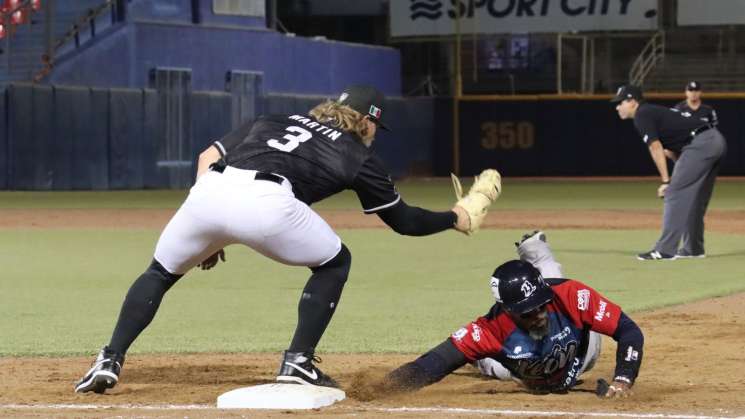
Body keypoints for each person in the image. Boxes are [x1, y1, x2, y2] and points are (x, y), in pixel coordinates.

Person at [74, 85, 486, 394]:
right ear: (364, 120)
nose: (376, 132)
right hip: (267, 202)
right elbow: (404, 221)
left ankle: (108, 359)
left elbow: (207, 157)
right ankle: (298, 362)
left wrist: (209, 233)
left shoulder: (270, 119)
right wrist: (456, 217)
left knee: (160, 272)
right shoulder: (357, 155)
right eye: (375, 123)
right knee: (335, 261)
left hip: (208, 192)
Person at [378, 231, 644, 398]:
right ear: (508, 309)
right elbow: (430, 365)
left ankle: (535, 248)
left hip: (583, 355)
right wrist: (381, 388)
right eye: (529, 311)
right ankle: (479, 360)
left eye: (541, 304)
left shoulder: (570, 296)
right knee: (492, 366)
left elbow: (629, 332)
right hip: (527, 376)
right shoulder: (489, 330)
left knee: (555, 281)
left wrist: (622, 379)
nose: (539, 313)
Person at [612, 85, 727, 260]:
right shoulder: (651, 112)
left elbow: (656, 147)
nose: (617, 107)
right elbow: (671, 149)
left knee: (674, 193)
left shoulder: (642, 114)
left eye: (620, 102)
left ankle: (665, 250)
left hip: (700, 144)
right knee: (694, 198)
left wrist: (667, 181)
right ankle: (693, 249)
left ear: (632, 101)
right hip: (714, 140)